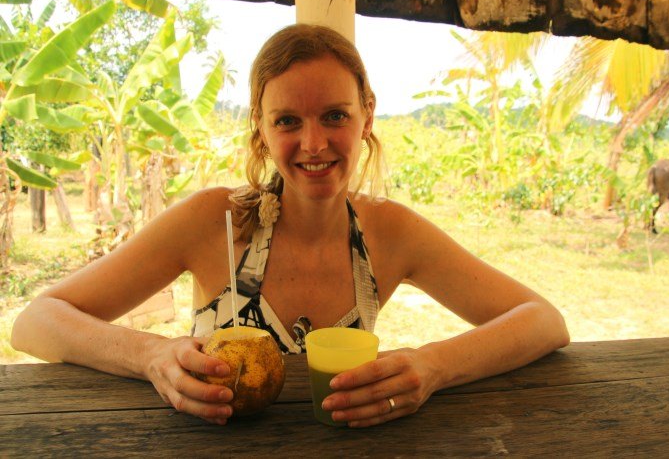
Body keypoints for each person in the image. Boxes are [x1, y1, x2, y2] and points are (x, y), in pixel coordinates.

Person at [11, 24, 569, 428]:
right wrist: (153, 356)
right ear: (260, 127)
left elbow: (544, 322)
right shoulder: (216, 220)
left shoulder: (390, 233)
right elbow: (35, 321)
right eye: (287, 121)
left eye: (334, 115)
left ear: (366, 115)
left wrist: (431, 366)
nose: (314, 143)